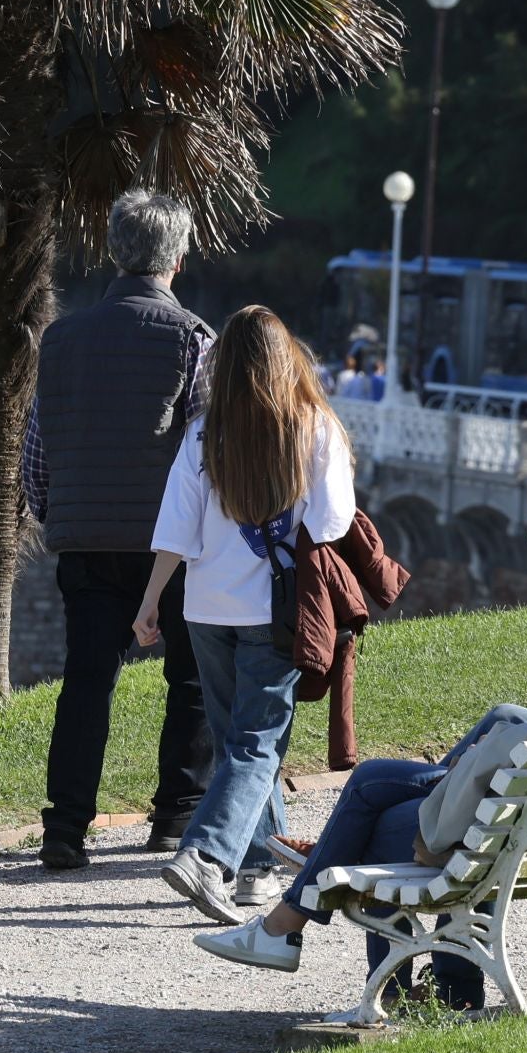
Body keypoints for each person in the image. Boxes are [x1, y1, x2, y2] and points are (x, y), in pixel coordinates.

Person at [192, 531, 527, 1002]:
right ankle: (443, 985)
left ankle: (305, 937)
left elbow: (526, 768)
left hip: (507, 839)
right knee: (491, 724)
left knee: (370, 800)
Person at [136, 303, 356, 924]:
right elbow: (334, 520)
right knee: (258, 743)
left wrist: (151, 601)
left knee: (242, 740)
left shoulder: (204, 431)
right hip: (274, 609)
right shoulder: (315, 427)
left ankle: (259, 866)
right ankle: (206, 856)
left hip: (205, 607)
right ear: (288, 359)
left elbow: (175, 526)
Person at [23, 189, 214, 869]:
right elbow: (204, 456)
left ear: (112, 251)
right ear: (179, 258)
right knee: (189, 679)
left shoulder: (62, 339)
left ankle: (65, 829)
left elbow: (36, 455)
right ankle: (175, 817)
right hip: (171, 545)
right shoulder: (193, 339)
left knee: (86, 682)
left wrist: (59, 516)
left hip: (86, 541)